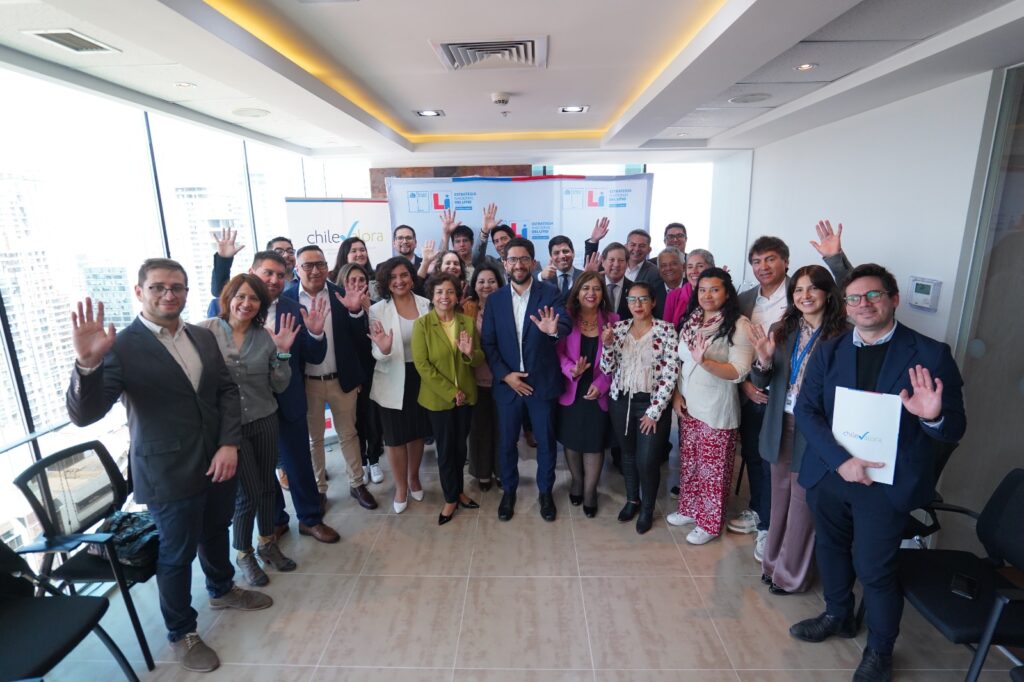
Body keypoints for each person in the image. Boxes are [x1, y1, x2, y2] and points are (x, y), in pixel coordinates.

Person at [67, 258, 271, 673]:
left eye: (177, 287)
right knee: (177, 553)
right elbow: (85, 414)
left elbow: (226, 392)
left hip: (217, 458)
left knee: (216, 529)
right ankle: (182, 632)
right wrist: (87, 365)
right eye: (158, 287)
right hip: (166, 470)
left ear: (186, 292)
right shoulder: (120, 346)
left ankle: (221, 589)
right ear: (139, 292)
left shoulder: (202, 335)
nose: (168, 294)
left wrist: (229, 443)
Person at [790, 263, 965, 682]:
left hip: (886, 485)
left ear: (893, 299)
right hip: (832, 474)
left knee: (874, 569)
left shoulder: (930, 354)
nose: (863, 304)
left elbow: (955, 428)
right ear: (845, 305)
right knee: (830, 550)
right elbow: (807, 411)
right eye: (854, 298)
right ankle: (837, 615)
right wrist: (841, 461)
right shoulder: (830, 350)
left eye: (873, 295)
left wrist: (933, 417)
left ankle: (879, 651)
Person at [731, 221, 851, 563]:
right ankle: (764, 519)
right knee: (762, 459)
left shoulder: (825, 318)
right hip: (763, 394)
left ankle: (788, 544)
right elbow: (737, 346)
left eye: (770, 259)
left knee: (801, 482)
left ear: (785, 261)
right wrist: (750, 380)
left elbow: (852, 295)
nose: (763, 266)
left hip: (811, 412)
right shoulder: (746, 300)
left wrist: (836, 259)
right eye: (756, 261)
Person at [207, 250, 339, 544]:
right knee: (261, 471)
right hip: (246, 407)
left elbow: (313, 356)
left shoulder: (294, 307)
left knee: (298, 464)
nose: (274, 280)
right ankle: (274, 522)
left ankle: (310, 519)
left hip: (288, 400)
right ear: (252, 271)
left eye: (280, 275)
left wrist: (316, 335)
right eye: (268, 272)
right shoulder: (228, 308)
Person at [747, 265, 849, 594]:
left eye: (812, 288)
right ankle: (772, 563)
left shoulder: (844, 335)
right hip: (781, 422)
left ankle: (791, 575)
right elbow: (762, 379)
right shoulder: (782, 329)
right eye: (798, 290)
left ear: (828, 293)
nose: (805, 296)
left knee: (803, 501)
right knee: (779, 497)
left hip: (817, 428)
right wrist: (763, 360)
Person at [198, 274, 299, 586]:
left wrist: (283, 352)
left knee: (268, 487)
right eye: (240, 296)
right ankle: (244, 553)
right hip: (229, 429)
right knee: (248, 494)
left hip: (264, 418)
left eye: (253, 298)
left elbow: (279, 384)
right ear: (228, 298)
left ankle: (267, 543)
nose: (246, 303)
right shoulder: (206, 331)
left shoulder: (264, 336)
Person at [481, 237, 570, 522]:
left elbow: (565, 323)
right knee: (507, 444)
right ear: (505, 264)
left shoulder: (550, 293)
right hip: (509, 386)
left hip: (541, 384)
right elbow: (488, 344)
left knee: (546, 442)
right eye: (513, 260)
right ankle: (509, 491)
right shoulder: (495, 300)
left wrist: (553, 329)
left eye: (523, 259)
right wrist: (506, 376)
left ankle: (545, 492)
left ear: (533, 263)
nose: (518, 265)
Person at [283, 246, 378, 513]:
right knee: (314, 439)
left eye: (320, 264)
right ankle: (320, 489)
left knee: (349, 434)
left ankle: (357, 483)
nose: (315, 270)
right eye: (308, 265)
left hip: (342, 379)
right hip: (306, 383)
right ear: (297, 269)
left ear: (328, 266)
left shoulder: (340, 294)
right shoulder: (287, 299)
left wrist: (356, 312)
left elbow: (359, 341)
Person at [669, 267, 753, 545]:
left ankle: (709, 522)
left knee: (713, 470)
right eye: (702, 290)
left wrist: (706, 362)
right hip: (688, 403)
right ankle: (689, 509)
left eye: (714, 290)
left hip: (716, 407)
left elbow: (739, 371)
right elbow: (683, 362)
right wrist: (677, 395)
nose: (707, 295)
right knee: (691, 463)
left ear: (727, 293)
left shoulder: (738, 325)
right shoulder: (693, 319)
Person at [599, 281, 678, 534]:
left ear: (653, 302)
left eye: (643, 299)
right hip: (621, 401)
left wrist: (654, 412)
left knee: (647, 460)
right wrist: (607, 345)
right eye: (632, 300)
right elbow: (607, 369)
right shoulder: (618, 329)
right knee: (628, 455)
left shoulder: (666, 330)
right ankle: (632, 500)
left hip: (651, 404)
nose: (638, 304)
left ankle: (648, 508)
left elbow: (670, 374)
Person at [412, 272, 485, 525]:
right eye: (440, 292)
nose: (445, 296)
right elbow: (423, 366)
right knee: (445, 450)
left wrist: (469, 353)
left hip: (466, 397)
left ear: (457, 296)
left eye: (450, 291)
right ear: (432, 296)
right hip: (438, 399)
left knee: (460, 448)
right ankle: (450, 498)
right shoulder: (422, 325)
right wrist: (451, 392)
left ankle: (459, 491)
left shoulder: (466, 322)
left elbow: (478, 358)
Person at [367, 257, 432, 512]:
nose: (399, 281)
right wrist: (383, 349)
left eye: (404, 275)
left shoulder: (426, 304)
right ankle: (401, 486)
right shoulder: (377, 310)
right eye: (393, 277)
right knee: (394, 438)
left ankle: (414, 478)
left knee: (417, 433)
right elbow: (376, 350)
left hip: (421, 376)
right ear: (386, 282)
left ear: (412, 277)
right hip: (392, 377)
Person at [556, 271, 617, 517]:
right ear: (577, 292)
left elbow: (619, 360)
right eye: (586, 288)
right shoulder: (566, 318)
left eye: (596, 288)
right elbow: (558, 353)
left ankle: (590, 492)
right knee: (572, 441)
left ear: (603, 294)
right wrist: (571, 369)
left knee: (594, 443)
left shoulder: (613, 319)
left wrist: (602, 383)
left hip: (599, 392)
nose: (591, 293)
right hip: (572, 388)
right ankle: (577, 482)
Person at [338, 262, 385, 486]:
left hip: (375, 373)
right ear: (343, 283)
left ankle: (374, 460)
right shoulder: (338, 308)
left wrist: (369, 311)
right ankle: (362, 462)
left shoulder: (375, 307)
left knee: (373, 420)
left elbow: (382, 339)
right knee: (355, 423)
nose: (357, 284)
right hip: (351, 375)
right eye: (352, 281)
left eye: (361, 280)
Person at [461, 263, 505, 491]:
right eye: (481, 281)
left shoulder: (508, 307)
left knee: (502, 429)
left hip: (503, 379)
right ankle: (482, 472)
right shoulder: (467, 308)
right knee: (479, 429)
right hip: (475, 379)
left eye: (491, 281)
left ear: (499, 284)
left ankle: (502, 470)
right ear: (474, 285)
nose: (486, 286)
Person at [662, 248, 715, 328]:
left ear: (712, 268)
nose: (694, 271)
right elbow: (666, 330)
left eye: (700, 266)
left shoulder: (717, 295)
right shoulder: (674, 295)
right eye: (690, 267)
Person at [331, 236, 381, 302]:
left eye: (362, 250)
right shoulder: (331, 281)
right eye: (354, 251)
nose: (359, 254)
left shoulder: (377, 278)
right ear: (345, 255)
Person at [541, 235, 583, 301]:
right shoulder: (543, 278)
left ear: (573, 253)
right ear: (551, 256)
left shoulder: (583, 276)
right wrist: (541, 276)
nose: (562, 256)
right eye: (556, 253)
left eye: (565, 251)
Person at [601, 242, 633, 320]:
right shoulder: (593, 285)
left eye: (621, 260)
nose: (616, 264)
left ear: (627, 264)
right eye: (611, 260)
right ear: (603, 261)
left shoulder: (633, 289)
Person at [652, 246, 685, 320]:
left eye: (673, 264)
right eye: (663, 265)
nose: (668, 268)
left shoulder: (693, 289)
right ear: (659, 270)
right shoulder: (652, 292)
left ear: (683, 266)